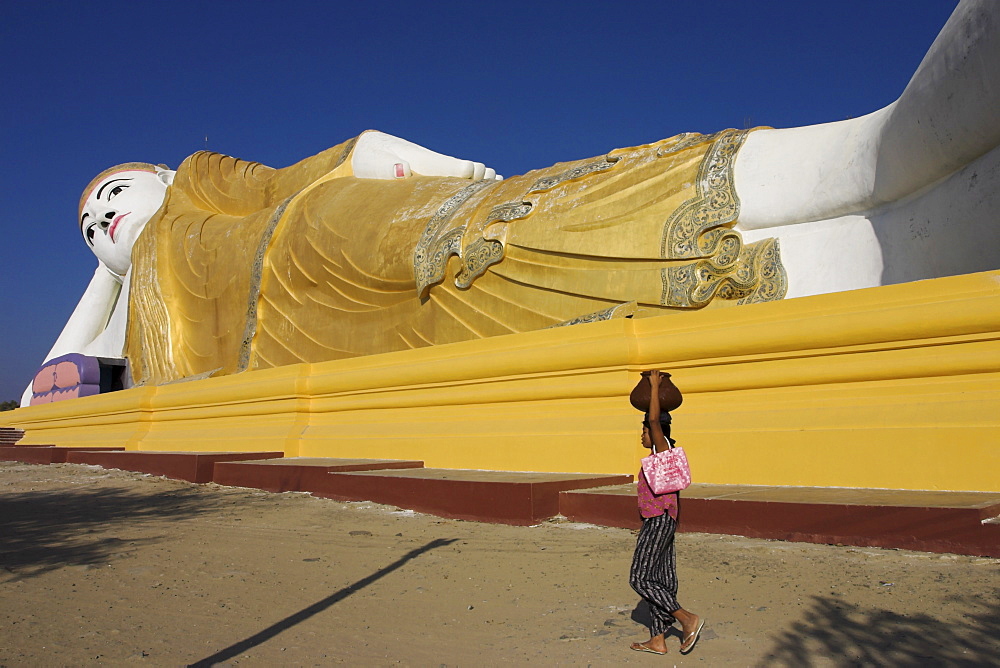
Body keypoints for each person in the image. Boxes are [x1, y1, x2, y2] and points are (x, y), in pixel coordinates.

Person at [23, 0, 1000, 404]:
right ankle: (902, 242)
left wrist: (447, 164)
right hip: (328, 351)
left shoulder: (203, 187)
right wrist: (102, 281)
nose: (105, 216)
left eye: (113, 191)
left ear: (155, 172)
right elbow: (45, 393)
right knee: (517, 297)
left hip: (335, 237)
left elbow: (351, 151)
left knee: (528, 223)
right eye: (87, 226)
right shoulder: (141, 317)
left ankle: (883, 151)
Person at [629, 369, 703, 655]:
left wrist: (655, 386)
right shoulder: (657, 457)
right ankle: (657, 640)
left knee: (640, 578)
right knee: (661, 579)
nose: (642, 435)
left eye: (644, 431)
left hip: (660, 521)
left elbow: (653, 420)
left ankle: (687, 618)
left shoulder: (664, 450)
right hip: (659, 521)